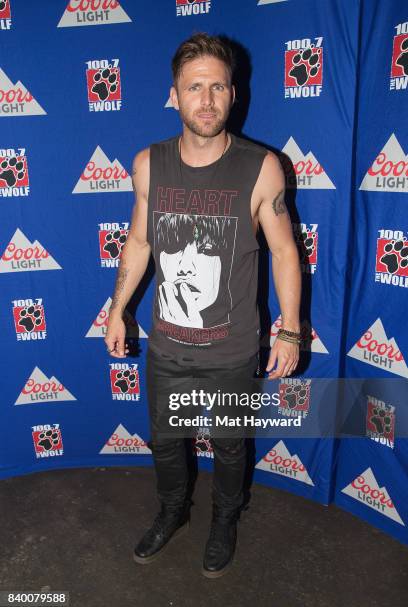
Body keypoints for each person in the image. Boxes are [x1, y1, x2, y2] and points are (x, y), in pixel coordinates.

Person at [105, 32, 302, 578]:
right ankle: (172, 512)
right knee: (167, 443)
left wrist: (290, 330)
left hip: (233, 348)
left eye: (218, 86)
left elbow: (285, 251)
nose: (207, 99)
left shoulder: (262, 168)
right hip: (168, 345)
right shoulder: (149, 165)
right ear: (175, 95)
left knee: (231, 447)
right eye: (195, 87)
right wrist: (118, 308)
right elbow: (140, 242)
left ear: (233, 94)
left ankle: (224, 519)